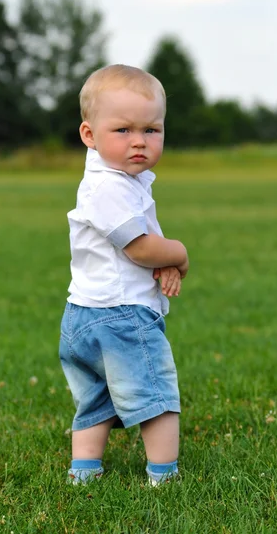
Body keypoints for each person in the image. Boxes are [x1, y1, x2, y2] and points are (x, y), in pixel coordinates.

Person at [60, 64, 189, 486]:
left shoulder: (115, 181)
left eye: (152, 130)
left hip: (83, 314)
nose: (139, 141)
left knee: (96, 400)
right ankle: (164, 476)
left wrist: (161, 259)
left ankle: (84, 473)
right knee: (157, 397)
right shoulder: (108, 187)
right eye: (123, 130)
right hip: (122, 315)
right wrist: (178, 254)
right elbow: (139, 247)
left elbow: (142, 242)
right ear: (89, 135)